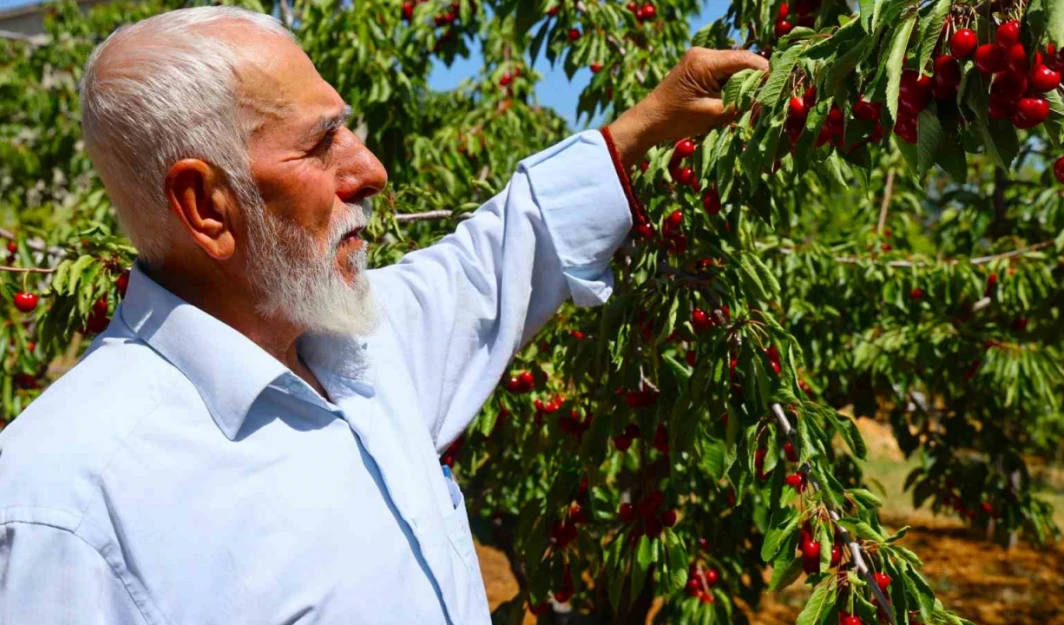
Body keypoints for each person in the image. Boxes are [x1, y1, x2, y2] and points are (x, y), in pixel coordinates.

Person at [0, 6, 766, 623]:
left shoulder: (360, 344)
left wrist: (641, 129)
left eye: (349, 126)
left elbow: (494, 255)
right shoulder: (63, 511)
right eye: (320, 142)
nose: (370, 168)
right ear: (208, 205)